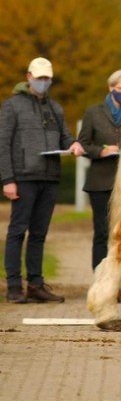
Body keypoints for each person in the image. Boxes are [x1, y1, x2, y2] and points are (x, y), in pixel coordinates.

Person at [1, 57, 85, 303]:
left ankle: (36, 285)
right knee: (18, 231)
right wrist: (8, 179)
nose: (43, 82)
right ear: (29, 77)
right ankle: (14, 286)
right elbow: (3, 144)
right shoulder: (12, 106)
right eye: (39, 78)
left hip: (50, 178)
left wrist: (74, 145)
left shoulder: (55, 108)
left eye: (47, 78)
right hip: (23, 178)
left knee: (39, 234)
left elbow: (65, 138)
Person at [78, 69, 121, 304]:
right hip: (100, 181)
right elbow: (83, 144)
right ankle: (100, 281)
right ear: (111, 87)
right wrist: (101, 151)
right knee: (102, 233)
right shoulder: (94, 112)